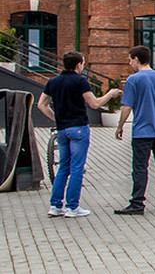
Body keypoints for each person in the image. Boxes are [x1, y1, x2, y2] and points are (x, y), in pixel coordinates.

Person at [36, 51, 121, 218]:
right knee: (77, 168)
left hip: (62, 130)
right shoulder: (80, 81)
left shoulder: (53, 82)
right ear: (78, 64)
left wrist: (58, 119)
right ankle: (72, 207)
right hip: (79, 128)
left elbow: (41, 105)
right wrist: (110, 94)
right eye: (83, 63)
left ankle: (55, 205)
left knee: (63, 167)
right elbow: (94, 103)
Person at [114, 45, 155, 215]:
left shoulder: (133, 80)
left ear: (136, 59)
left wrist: (120, 126)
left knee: (140, 168)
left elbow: (127, 107)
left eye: (130, 60)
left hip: (142, 131)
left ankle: (137, 203)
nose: (129, 63)